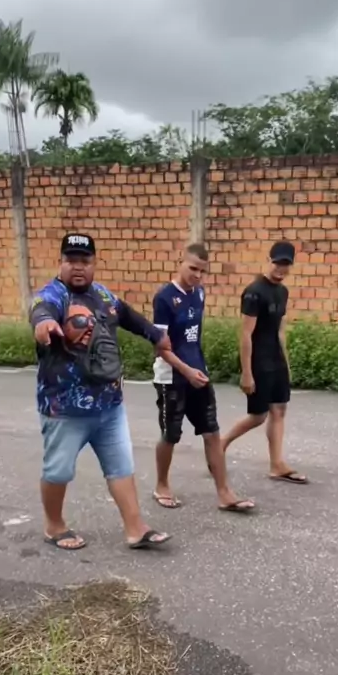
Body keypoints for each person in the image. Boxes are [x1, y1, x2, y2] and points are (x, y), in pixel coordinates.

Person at [29, 232, 173, 551]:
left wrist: (155, 335)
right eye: (71, 260)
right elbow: (41, 311)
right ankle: (54, 525)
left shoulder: (103, 296)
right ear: (60, 262)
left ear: (94, 263)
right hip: (66, 409)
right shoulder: (53, 295)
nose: (78, 267)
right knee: (58, 471)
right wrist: (44, 326)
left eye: (84, 260)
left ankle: (136, 529)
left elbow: (128, 315)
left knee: (121, 466)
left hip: (109, 404)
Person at [151, 242, 255, 512]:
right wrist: (186, 371)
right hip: (171, 377)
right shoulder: (164, 298)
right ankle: (161, 485)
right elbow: (160, 347)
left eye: (202, 271)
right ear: (181, 262)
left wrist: (198, 369)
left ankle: (225, 493)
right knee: (170, 434)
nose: (197, 275)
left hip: (198, 374)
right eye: (193, 268)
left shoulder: (199, 293)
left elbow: (193, 339)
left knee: (212, 432)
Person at [220, 240, 307, 483]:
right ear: (268, 261)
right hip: (258, 361)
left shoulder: (283, 292)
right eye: (277, 263)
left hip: (276, 360)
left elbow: (280, 331)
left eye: (286, 264)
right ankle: (220, 444)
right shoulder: (254, 291)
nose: (281, 268)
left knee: (279, 410)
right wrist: (246, 372)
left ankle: (277, 464)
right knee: (258, 416)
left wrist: (286, 363)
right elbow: (246, 334)